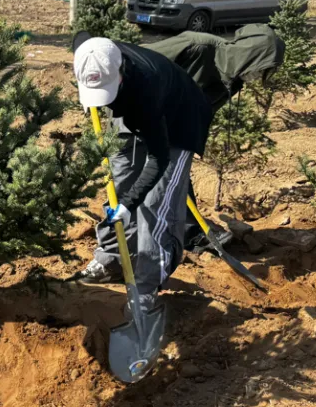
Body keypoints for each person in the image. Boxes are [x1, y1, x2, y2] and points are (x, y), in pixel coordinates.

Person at [71, 33, 213, 328]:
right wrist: (123, 201)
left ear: (121, 73)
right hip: (131, 117)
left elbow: (159, 158)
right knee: (119, 184)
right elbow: (81, 37)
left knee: (154, 204)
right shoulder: (90, 53)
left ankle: (146, 287)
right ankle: (112, 257)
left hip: (178, 124)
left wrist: (130, 203)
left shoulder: (147, 88)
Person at [144, 23, 285, 250]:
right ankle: (134, 243)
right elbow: (139, 60)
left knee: (177, 178)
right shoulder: (196, 46)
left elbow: (204, 109)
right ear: (249, 55)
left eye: (265, 71)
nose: (259, 76)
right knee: (144, 179)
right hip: (140, 119)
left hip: (174, 130)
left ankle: (189, 234)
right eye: (261, 67)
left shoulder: (234, 79)